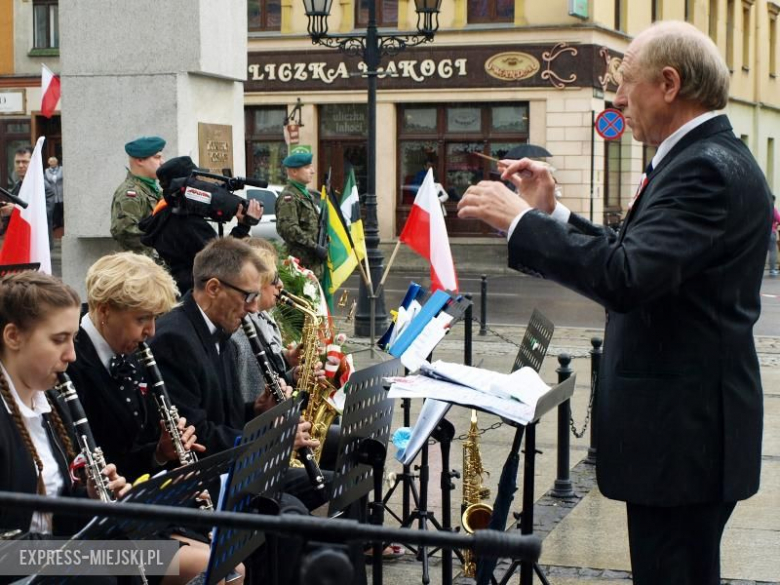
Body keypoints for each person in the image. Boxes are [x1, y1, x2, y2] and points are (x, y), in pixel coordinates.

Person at [458, 21, 770, 585]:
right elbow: (635, 255)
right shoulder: (701, 157)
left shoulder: (703, 168)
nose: (618, 98)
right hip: (684, 436)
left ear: (669, 84)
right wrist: (552, 214)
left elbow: (626, 277)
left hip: (683, 441)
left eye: (626, 83)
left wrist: (519, 221)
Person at [66, 252, 243, 585]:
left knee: (235, 557)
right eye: (142, 319)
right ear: (104, 310)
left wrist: (162, 451)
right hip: (103, 529)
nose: (151, 331)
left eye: (154, 319)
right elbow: (93, 461)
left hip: (141, 510)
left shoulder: (130, 354)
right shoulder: (72, 365)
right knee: (218, 568)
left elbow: (136, 450)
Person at [149, 237, 324, 510]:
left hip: (232, 466)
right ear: (214, 288)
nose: (253, 308)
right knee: (291, 511)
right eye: (248, 296)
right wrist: (272, 439)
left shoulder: (220, 330)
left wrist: (256, 410)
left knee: (332, 486)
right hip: (201, 483)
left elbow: (224, 416)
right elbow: (199, 438)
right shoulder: (175, 339)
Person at [0, 271, 129, 540]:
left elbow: (55, 518)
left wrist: (90, 497)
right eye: (59, 340)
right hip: (19, 565)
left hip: (55, 559)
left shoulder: (53, 404)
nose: (71, 354)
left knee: (211, 563)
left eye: (74, 338)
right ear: (13, 337)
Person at [139, 156, 262, 295]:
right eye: (196, 181)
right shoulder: (185, 221)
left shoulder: (166, 213)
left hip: (180, 289)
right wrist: (243, 227)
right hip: (195, 293)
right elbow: (220, 260)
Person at [110, 136, 166, 257]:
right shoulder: (130, 194)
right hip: (144, 265)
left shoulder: (152, 189)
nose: (162, 162)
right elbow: (125, 232)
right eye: (157, 157)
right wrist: (162, 247)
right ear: (140, 160)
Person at [275, 149, 327, 279]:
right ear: (294, 171)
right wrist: (315, 247)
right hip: (300, 266)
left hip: (313, 265)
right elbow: (289, 229)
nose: (312, 171)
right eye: (307, 167)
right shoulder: (289, 197)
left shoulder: (305, 194)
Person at [1, 146, 56, 243]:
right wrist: (4, 214)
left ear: (33, 164)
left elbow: (44, 214)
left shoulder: (44, 187)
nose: (21, 165)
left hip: (39, 245)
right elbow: (8, 223)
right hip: (20, 242)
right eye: (17, 162)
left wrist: (15, 209)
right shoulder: (16, 188)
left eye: (25, 162)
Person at [45, 156, 64, 233]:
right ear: (49, 163)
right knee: (55, 209)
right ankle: (56, 223)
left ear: (56, 162)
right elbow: (46, 181)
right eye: (50, 162)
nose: (52, 163)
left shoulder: (62, 169)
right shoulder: (46, 171)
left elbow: (62, 177)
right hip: (52, 193)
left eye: (53, 161)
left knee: (62, 208)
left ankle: (62, 223)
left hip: (61, 192)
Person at [769, 195, 780, 276]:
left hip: (761, 233)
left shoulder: (760, 208)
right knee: (772, 251)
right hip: (771, 232)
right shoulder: (773, 209)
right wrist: (775, 225)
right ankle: (772, 270)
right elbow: (779, 219)